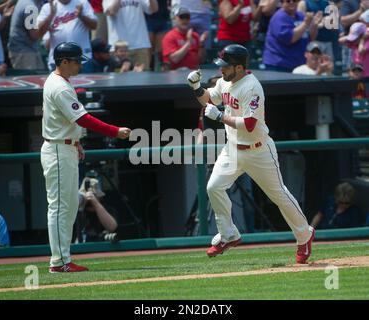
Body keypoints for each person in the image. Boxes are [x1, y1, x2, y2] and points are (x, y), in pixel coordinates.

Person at [186, 44, 315, 263]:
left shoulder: (252, 87)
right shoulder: (224, 82)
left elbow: (250, 123)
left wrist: (219, 117)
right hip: (233, 149)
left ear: (238, 67)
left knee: (279, 195)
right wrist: (196, 86)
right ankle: (229, 234)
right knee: (214, 187)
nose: (221, 70)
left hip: (258, 150)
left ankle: (305, 235)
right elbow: (209, 98)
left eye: (225, 66)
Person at [41, 42, 131, 273]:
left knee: (68, 206)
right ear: (63, 62)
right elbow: (83, 119)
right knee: (60, 207)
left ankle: (62, 259)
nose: (80, 64)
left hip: (65, 146)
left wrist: (76, 141)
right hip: (58, 150)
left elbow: (68, 121)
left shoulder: (61, 82)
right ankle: (59, 262)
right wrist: (114, 131)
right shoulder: (59, 86)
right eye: (76, 60)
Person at [37, 0, 98, 71]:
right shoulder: (48, 7)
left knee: (86, 82)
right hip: (58, 61)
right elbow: (38, 34)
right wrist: (51, 15)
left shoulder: (82, 3)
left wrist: (81, 16)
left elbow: (94, 25)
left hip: (82, 59)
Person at [262, 0, 322, 72]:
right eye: (288, 1)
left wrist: (314, 25)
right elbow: (290, 39)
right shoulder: (279, 17)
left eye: (294, 0)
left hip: (297, 64)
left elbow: (311, 38)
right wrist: (305, 23)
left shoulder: (301, 16)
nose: (291, 2)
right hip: (278, 65)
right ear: (282, 3)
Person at [103, 0, 158, 71]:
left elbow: (154, 9)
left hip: (140, 45)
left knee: (143, 79)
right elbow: (111, 12)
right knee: (119, 80)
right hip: (119, 47)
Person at [76, 177, 120, 243]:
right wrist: (81, 204)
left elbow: (112, 227)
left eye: (94, 195)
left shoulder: (108, 209)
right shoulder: (77, 212)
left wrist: (95, 203)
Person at [8, 0, 46, 70]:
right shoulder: (30, 7)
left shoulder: (23, 1)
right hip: (24, 53)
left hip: (26, 51)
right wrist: (50, 18)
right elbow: (34, 35)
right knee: (32, 79)